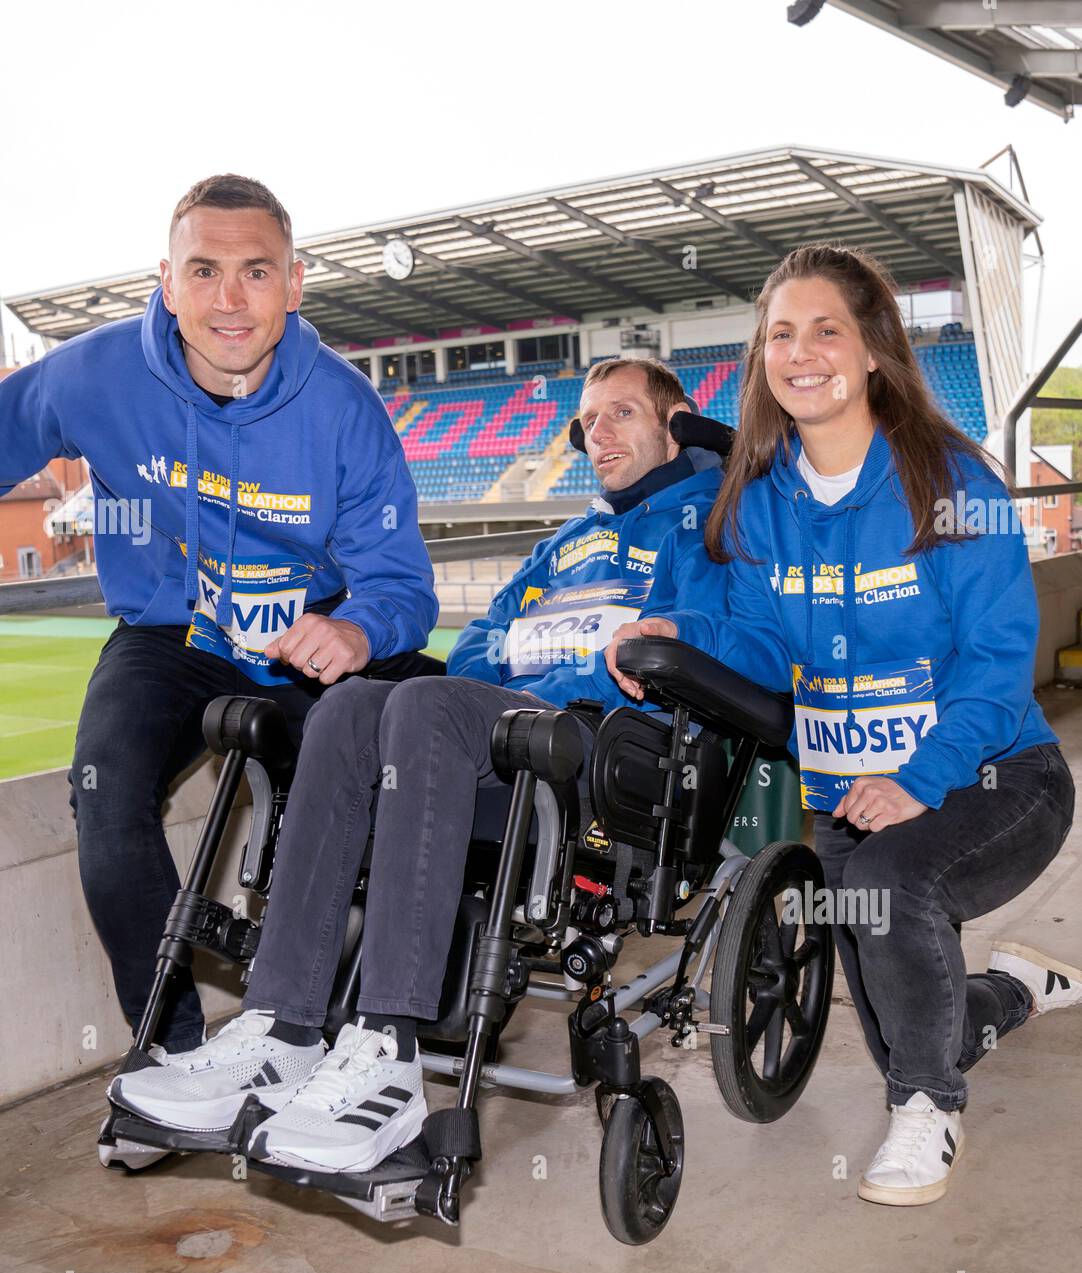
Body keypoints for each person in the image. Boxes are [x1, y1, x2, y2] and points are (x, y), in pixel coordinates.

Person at [109, 356, 725, 1172]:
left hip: (604, 750)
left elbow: (707, 636)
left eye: (620, 414)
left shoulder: (709, 523)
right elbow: (479, 644)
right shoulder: (564, 543)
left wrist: (552, 673)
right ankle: (284, 1025)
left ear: (675, 421)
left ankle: (387, 1050)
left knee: (423, 703)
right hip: (507, 738)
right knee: (354, 702)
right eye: (586, 422)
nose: (595, 435)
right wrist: (492, 687)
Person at [605, 243, 1079, 1207]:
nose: (801, 351)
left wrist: (919, 779)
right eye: (781, 333)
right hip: (844, 802)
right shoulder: (758, 501)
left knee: (898, 894)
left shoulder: (958, 487)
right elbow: (753, 637)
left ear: (871, 351)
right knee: (903, 1004)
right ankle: (1018, 991)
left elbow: (995, 668)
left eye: (827, 329)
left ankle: (928, 1107)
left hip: (996, 779)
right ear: (762, 359)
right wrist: (678, 630)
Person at [0, 174, 438, 1055]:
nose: (230, 300)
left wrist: (356, 628)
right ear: (166, 282)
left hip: (302, 639)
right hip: (170, 635)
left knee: (387, 780)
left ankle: (347, 1038)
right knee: (104, 788)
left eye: (256, 272)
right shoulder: (94, 373)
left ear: (296, 283)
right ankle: (172, 1053)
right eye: (203, 271)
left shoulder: (347, 407)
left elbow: (404, 587)